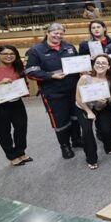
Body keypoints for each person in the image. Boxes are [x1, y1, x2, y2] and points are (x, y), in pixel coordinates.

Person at [25, 23, 83, 159]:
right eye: (55, 33)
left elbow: (78, 63)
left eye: (61, 33)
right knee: (60, 120)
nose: (58, 35)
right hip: (53, 92)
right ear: (47, 32)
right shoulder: (35, 51)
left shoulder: (69, 47)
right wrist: (50, 76)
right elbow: (30, 72)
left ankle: (77, 140)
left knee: (76, 116)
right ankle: (65, 146)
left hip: (73, 89)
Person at [74, 54, 111, 169]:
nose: (100, 65)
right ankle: (91, 159)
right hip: (83, 107)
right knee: (87, 132)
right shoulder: (85, 78)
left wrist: (107, 100)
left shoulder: (110, 79)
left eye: (104, 63)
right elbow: (78, 98)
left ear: (109, 66)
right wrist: (89, 111)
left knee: (106, 130)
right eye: (97, 63)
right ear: (93, 65)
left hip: (102, 106)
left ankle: (107, 144)